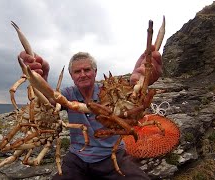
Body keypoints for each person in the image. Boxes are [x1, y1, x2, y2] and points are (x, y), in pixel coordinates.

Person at [19, 46, 162, 180]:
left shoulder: (109, 91)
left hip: (112, 154)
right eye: (77, 71)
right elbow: (49, 101)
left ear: (95, 72)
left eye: (87, 70)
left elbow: (134, 96)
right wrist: (43, 77)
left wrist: (143, 78)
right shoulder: (68, 94)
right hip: (77, 157)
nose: (83, 75)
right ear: (71, 75)